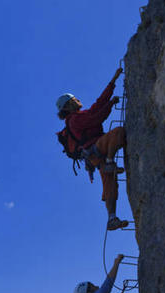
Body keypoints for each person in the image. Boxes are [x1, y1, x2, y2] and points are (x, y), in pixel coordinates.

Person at [57, 67, 129, 230]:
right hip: (96, 149)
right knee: (118, 133)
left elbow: (97, 106)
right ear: (68, 106)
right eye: (74, 99)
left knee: (110, 183)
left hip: (94, 155)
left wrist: (113, 81)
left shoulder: (78, 116)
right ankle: (110, 162)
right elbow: (97, 118)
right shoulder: (74, 120)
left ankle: (112, 218)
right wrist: (110, 105)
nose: (78, 99)